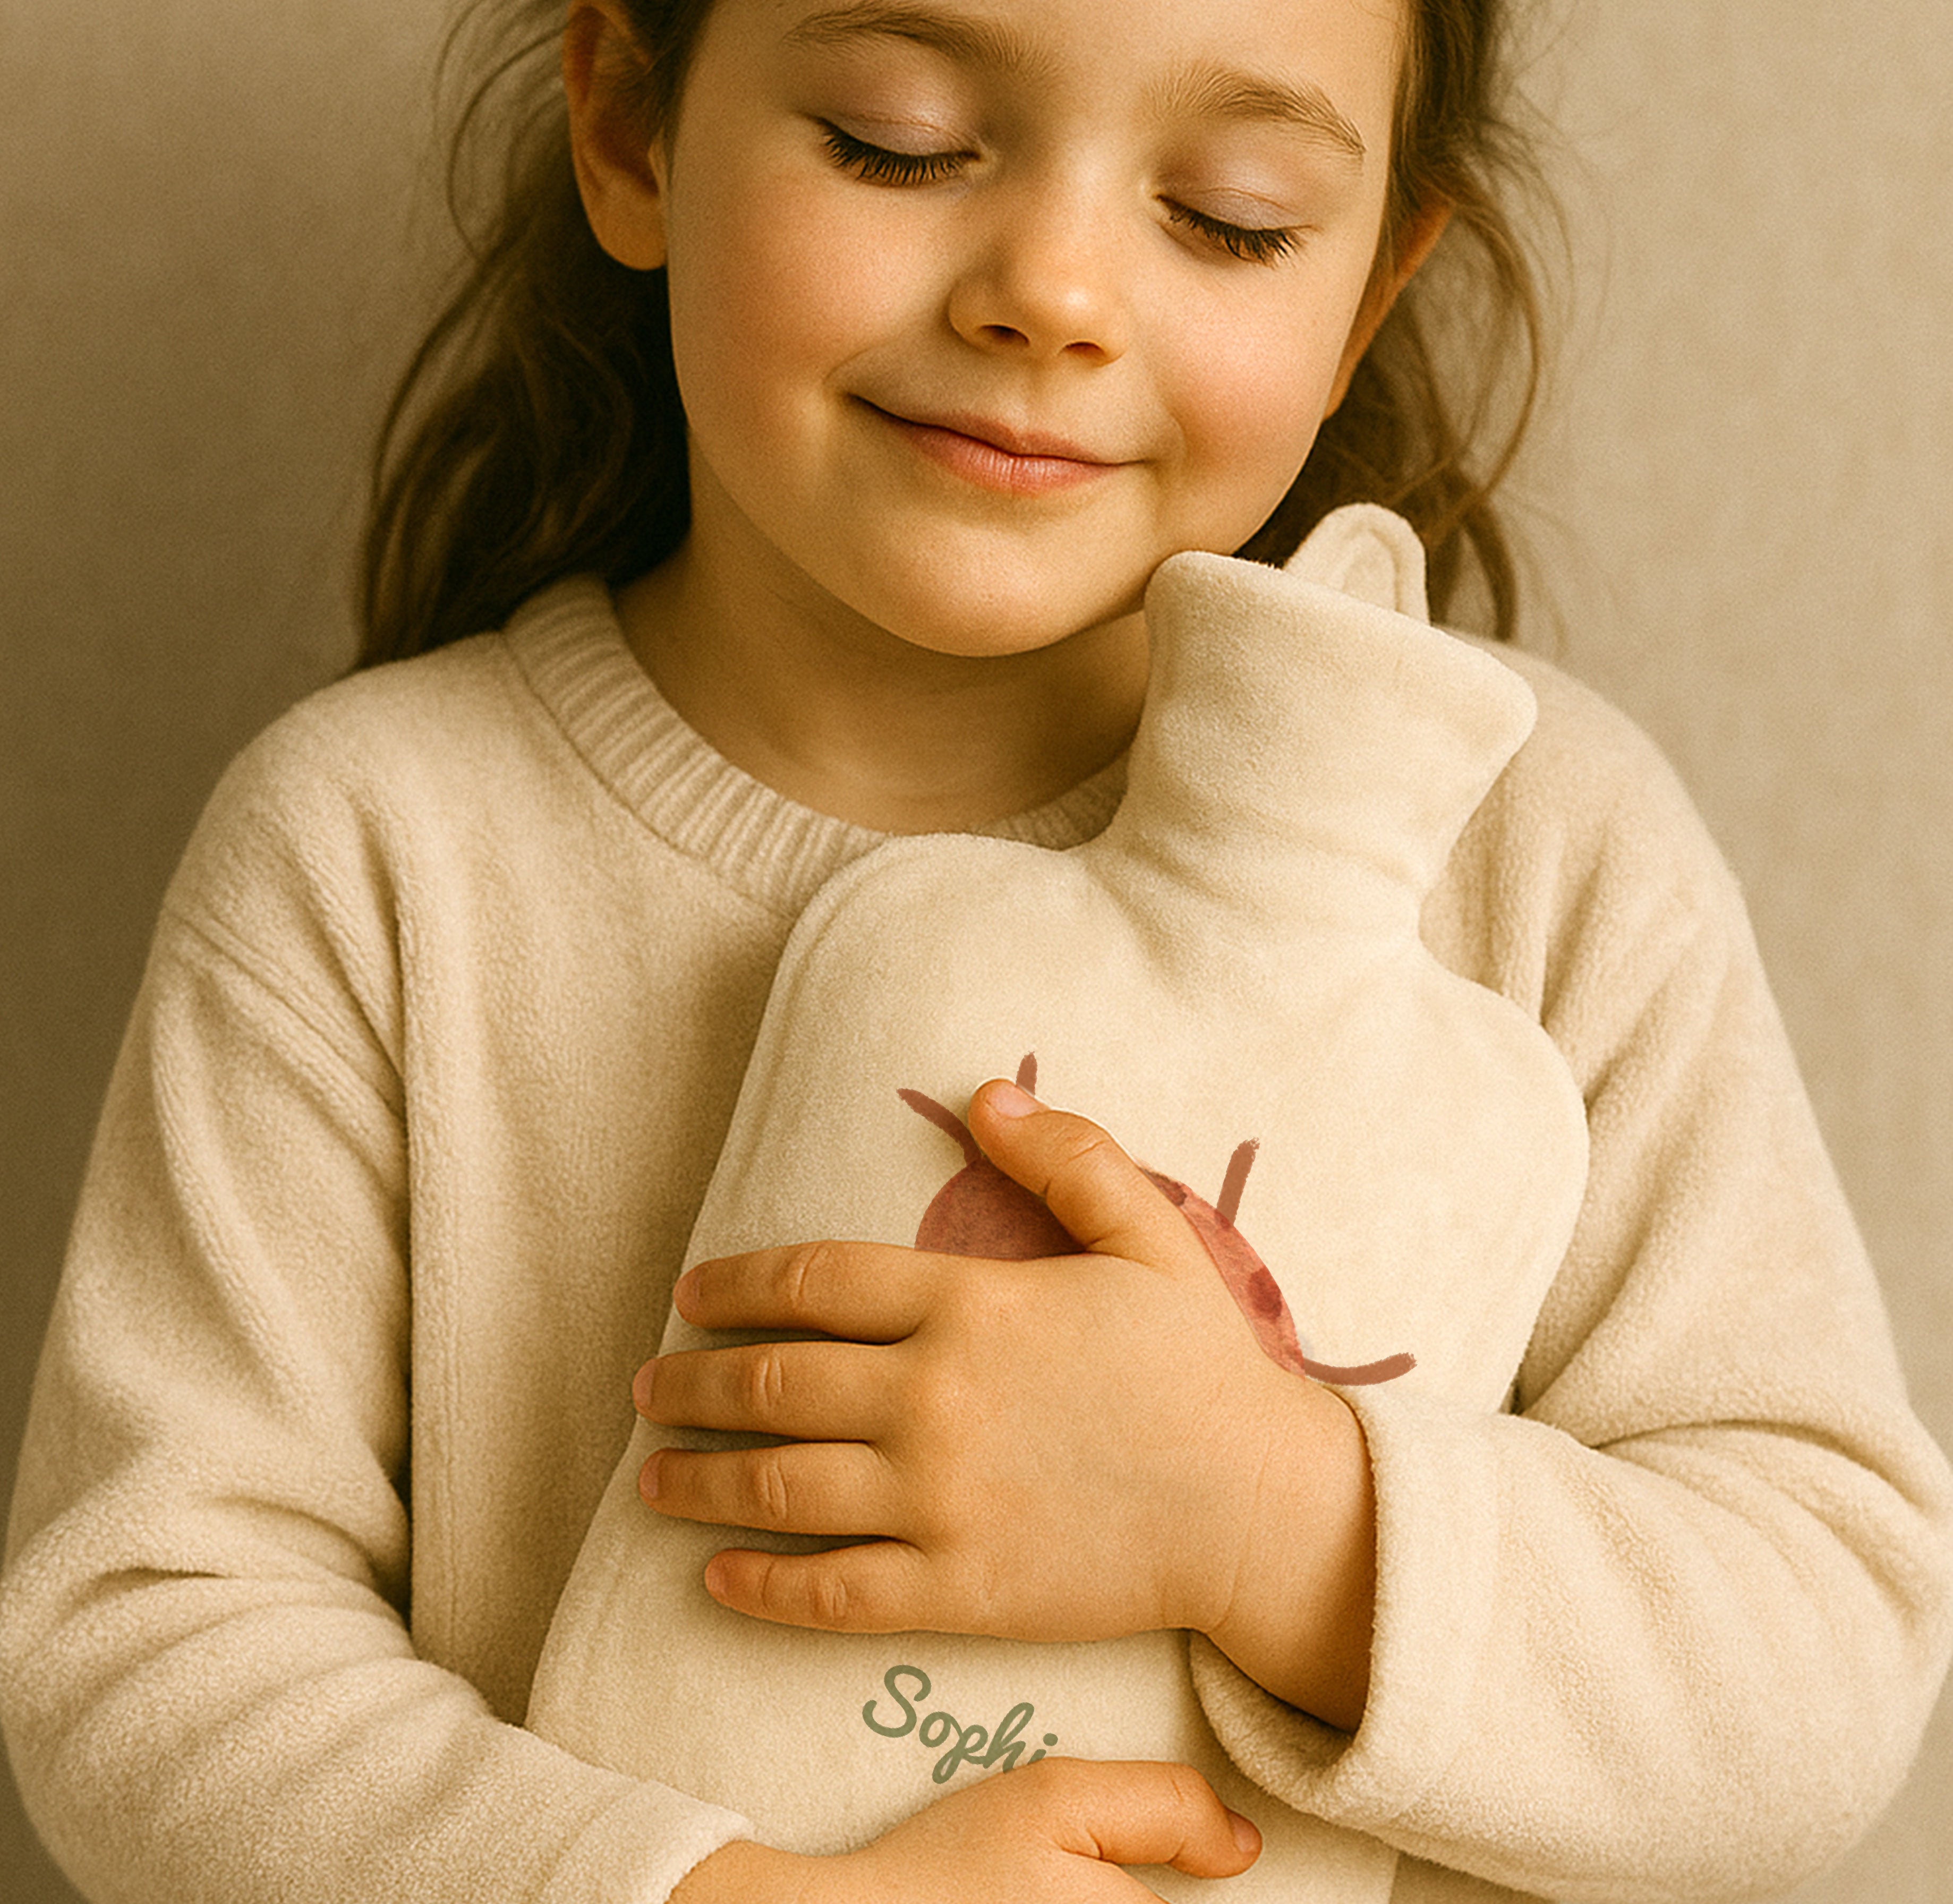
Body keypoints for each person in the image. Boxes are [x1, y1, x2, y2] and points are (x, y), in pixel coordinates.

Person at [2, 2, 1948, 1901]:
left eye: (1233, 217)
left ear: (1366, 287)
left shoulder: (1535, 854)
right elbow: (148, 1640)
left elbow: (1824, 1645)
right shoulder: (380, 850)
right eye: (899, 142)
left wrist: (1273, 1514)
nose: (1054, 295)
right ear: (629, 123)